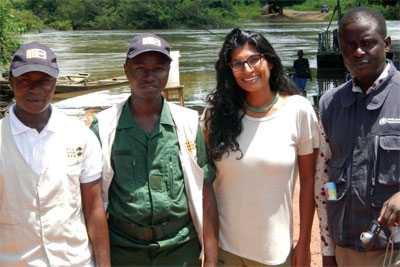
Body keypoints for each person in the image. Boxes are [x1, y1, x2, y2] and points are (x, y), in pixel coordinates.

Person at [91, 33, 218, 266]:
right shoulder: (104, 126)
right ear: (126, 69)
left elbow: (205, 189)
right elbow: (92, 201)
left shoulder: (188, 123)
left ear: (168, 71)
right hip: (123, 250)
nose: (149, 76)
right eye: (140, 68)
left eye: (158, 68)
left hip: (180, 249)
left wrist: (210, 256)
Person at [203, 28, 319, 267]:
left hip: (275, 253)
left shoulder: (298, 111)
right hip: (226, 250)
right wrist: (210, 250)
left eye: (254, 59)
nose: (247, 70)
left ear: (270, 61)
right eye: (237, 64)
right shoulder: (216, 117)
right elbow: (204, 185)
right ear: (229, 70)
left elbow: (309, 181)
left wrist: (304, 243)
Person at [0, 42, 110, 266]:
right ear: (11, 81)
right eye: (25, 81)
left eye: (44, 81)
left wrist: (104, 263)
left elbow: (94, 208)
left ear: (55, 82)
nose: (35, 89)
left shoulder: (81, 136)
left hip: (74, 261)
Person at [317, 7, 400, 267]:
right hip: (346, 250)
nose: (358, 52)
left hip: (394, 249)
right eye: (349, 45)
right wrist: (328, 250)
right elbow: (325, 181)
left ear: (386, 44)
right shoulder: (329, 104)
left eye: (367, 43)